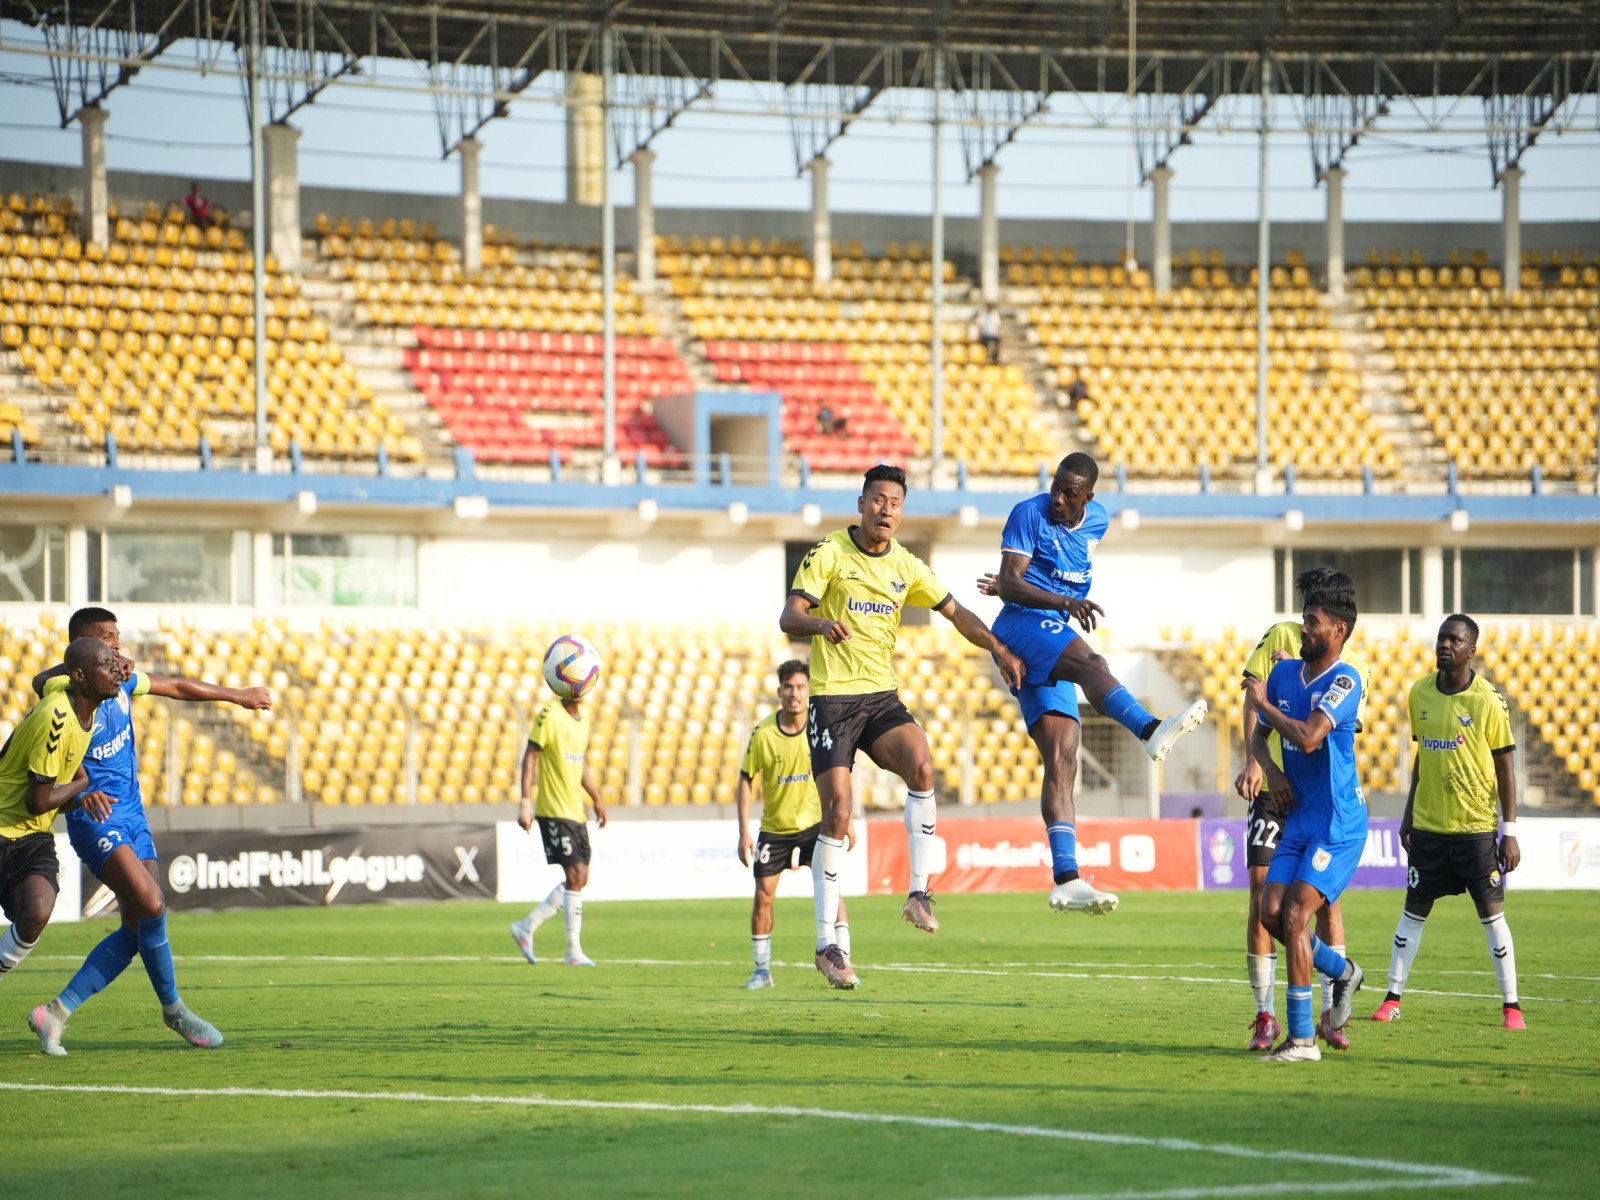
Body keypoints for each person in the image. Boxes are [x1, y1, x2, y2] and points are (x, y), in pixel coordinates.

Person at [781, 463, 1024, 989]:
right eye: (878, 500)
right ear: (862, 503)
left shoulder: (907, 567)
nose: (886, 509)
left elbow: (957, 613)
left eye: (895, 502)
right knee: (839, 817)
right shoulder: (828, 555)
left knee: (921, 762)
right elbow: (789, 615)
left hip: (880, 696)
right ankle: (827, 945)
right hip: (831, 701)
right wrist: (821, 621)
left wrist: (1000, 649)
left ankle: (918, 892)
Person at [26, 606, 273, 1056]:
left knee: (139, 924)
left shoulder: (116, 683)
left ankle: (56, 1012)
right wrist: (79, 791)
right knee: (153, 904)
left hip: (134, 816)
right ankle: (174, 1009)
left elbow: (176, 686)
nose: (117, 644)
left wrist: (237, 696)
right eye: (106, 638)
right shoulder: (64, 689)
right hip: (95, 818)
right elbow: (40, 683)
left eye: (117, 636)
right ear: (83, 648)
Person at [978, 452, 1208, 916]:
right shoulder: (1029, 512)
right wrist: (1064, 599)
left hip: (1052, 625)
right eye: (1055, 487)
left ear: (1089, 497)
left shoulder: (1097, 521)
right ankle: (1149, 729)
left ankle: (1066, 879)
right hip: (1023, 624)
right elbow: (1009, 582)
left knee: (1063, 759)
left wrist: (1064, 599)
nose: (1057, 498)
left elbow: (1073, 552)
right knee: (1091, 661)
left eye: (1069, 493)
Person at [1234, 569, 1372, 1053]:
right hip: (1299, 819)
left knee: (1295, 916)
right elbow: (1258, 734)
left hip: (1337, 826)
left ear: (1338, 630)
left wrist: (1263, 705)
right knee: (1270, 911)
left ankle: (1300, 1040)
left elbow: (1310, 736)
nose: (1304, 628)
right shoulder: (1283, 673)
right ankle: (1344, 973)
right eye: (1303, 619)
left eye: (1312, 621)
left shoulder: (1346, 679)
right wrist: (1268, 768)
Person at [1371, 614, 1523, 1030]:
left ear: (1471, 650)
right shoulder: (1419, 692)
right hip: (1429, 830)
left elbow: (1506, 768)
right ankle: (1392, 998)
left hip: (1475, 829)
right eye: (1442, 637)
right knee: (1412, 913)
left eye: (1455, 640)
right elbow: (1423, 757)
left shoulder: (1487, 701)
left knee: (1493, 918)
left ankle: (1512, 1007)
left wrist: (1508, 832)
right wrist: (1407, 814)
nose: (1445, 645)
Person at [0, 638, 117, 990]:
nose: (115, 670)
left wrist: (79, 795)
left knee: (37, 909)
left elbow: (41, 680)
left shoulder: (84, 705)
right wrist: (81, 785)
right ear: (80, 675)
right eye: (105, 664)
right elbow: (38, 800)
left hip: (31, 835)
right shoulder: (58, 717)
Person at [735, 660, 850, 989]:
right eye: (789, 687)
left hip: (816, 823)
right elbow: (746, 780)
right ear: (779, 691)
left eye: (801, 687)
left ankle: (843, 957)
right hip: (775, 828)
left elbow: (840, 772)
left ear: (808, 690)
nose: (795, 694)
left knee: (831, 887)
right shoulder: (763, 734)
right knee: (764, 897)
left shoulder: (820, 728)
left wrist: (847, 818)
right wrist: (744, 830)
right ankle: (761, 971)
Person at [509, 683, 609, 967]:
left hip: (575, 811)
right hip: (553, 810)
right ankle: (573, 951)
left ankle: (526, 926)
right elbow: (531, 757)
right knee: (575, 874)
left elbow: (581, 765)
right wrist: (525, 804)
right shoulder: (549, 715)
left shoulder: (584, 720)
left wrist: (597, 798)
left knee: (580, 879)